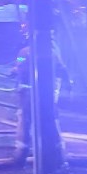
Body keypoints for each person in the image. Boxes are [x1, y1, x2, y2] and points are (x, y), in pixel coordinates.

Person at [10, 24, 67, 163]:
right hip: (46, 94)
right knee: (50, 121)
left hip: (28, 93)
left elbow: (19, 66)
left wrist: (14, 70)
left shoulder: (25, 52)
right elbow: (61, 69)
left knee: (25, 121)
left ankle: (20, 154)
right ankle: (57, 155)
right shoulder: (53, 52)